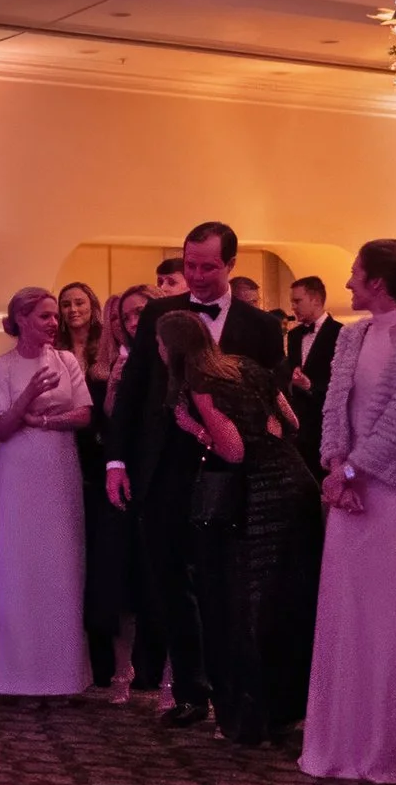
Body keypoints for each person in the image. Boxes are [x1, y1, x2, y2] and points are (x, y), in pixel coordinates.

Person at [107, 223, 288, 730]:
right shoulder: (160, 314)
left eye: (208, 267)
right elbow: (135, 390)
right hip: (164, 467)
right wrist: (117, 461)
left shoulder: (260, 326)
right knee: (168, 583)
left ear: (230, 264)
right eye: (190, 265)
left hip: (228, 468)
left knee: (223, 585)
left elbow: (272, 400)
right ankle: (190, 690)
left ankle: (233, 696)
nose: (198, 276)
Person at [300, 242, 396, 783]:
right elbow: (333, 408)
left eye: (355, 274)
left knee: (388, 621)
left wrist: (352, 471)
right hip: (348, 493)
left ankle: (379, 749)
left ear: (378, 282)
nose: (347, 284)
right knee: (344, 615)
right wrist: (334, 465)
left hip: (392, 491)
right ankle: (335, 743)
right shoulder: (351, 336)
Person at [156, 306, 318, 744]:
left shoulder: (201, 384)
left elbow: (234, 450)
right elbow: (291, 422)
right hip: (296, 483)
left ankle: (251, 716)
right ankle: (288, 710)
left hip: (259, 497)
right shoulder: (245, 366)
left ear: (174, 349)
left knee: (247, 606)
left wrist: (195, 429)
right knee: (289, 599)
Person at [0, 287, 95, 700]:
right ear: (21, 319)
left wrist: (46, 422)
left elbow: (84, 414)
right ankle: (18, 678)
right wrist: (29, 397)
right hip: (18, 475)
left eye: (55, 316)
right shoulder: (1, 367)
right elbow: (1, 427)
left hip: (59, 471)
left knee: (61, 569)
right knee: (19, 569)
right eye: (45, 316)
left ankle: (64, 677)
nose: (54, 323)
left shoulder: (66, 361)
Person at [99, 284, 168, 701]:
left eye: (140, 312)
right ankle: (122, 671)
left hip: (166, 473)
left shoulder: (175, 356)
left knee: (166, 581)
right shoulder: (122, 362)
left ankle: (173, 679)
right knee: (121, 576)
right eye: (126, 316)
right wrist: (113, 388)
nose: (133, 321)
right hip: (125, 476)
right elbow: (114, 420)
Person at [59, 283, 124, 689]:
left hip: (104, 454)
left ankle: (108, 661)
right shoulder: (56, 349)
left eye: (79, 302)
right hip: (67, 452)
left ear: (92, 306)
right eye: (66, 304)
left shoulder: (108, 348)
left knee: (104, 558)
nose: (72, 309)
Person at [284, 275, 340, 471]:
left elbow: (343, 381)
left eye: (297, 301)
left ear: (315, 300)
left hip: (326, 422)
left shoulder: (340, 333)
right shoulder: (293, 335)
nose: (293, 307)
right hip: (299, 424)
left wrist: (311, 386)